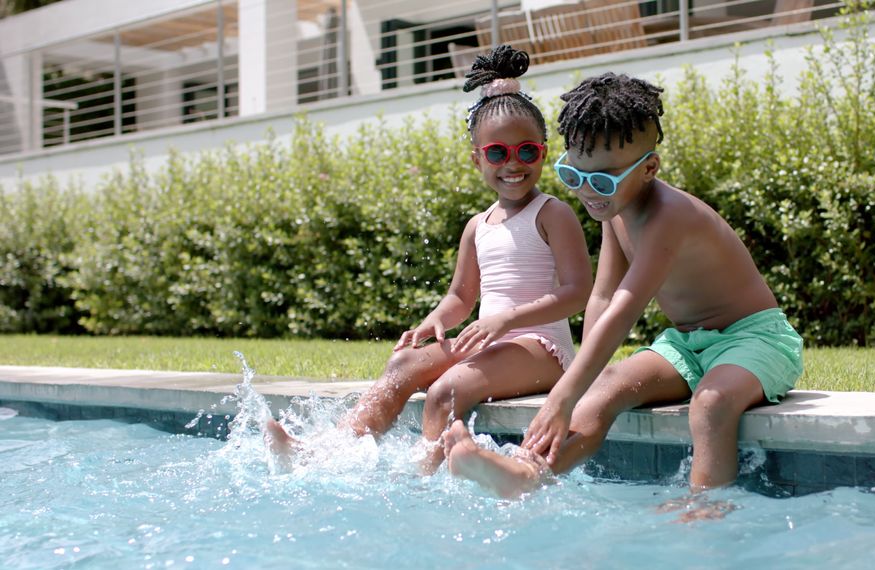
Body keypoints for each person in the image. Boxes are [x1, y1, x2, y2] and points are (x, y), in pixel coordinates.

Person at [443, 73, 804, 513]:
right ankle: (525, 472)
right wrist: (585, 380)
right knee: (607, 386)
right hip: (687, 345)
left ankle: (705, 509)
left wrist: (564, 394)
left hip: (756, 339)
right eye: (574, 174)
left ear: (649, 168)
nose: (586, 192)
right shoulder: (614, 211)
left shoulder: (669, 217)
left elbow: (626, 307)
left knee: (712, 403)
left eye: (603, 181)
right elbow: (602, 298)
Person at [266, 46, 592, 474]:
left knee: (445, 392)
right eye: (498, 153)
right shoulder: (478, 225)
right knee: (402, 364)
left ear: (543, 153)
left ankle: (423, 483)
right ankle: (327, 452)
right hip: (494, 342)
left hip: (543, 350)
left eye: (526, 151)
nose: (513, 164)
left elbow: (578, 293)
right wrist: (434, 321)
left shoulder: (552, 213)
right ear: (477, 158)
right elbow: (460, 297)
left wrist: (506, 320)